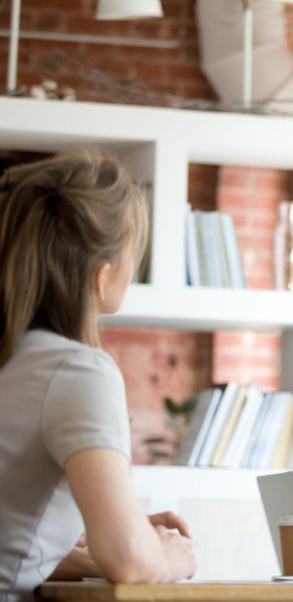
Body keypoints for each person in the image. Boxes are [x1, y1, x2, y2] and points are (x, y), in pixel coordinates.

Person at [0, 151, 197, 602]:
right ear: (103, 276)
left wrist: (113, 539)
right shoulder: (77, 370)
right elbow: (129, 561)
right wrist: (165, 556)